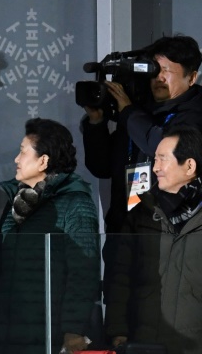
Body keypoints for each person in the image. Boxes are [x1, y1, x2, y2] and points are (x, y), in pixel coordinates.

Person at [0, 118, 101, 354]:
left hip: (47, 335)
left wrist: (72, 329)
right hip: (5, 333)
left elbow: (84, 273)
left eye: (23, 152)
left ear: (43, 160)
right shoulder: (15, 203)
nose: (16, 159)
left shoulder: (75, 204)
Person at [81, 35, 202, 235]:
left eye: (167, 70)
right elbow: (101, 167)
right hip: (124, 229)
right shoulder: (140, 111)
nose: (158, 78)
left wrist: (128, 112)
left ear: (191, 77)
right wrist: (96, 123)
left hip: (169, 233)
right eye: (154, 70)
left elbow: (163, 147)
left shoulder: (194, 115)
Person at [106, 125, 202, 354]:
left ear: (189, 165)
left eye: (162, 159)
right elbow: (121, 276)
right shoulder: (142, 212)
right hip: (145, 347)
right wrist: (117, 329)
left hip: (195, 352)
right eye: (154, 159)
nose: (155, 167)